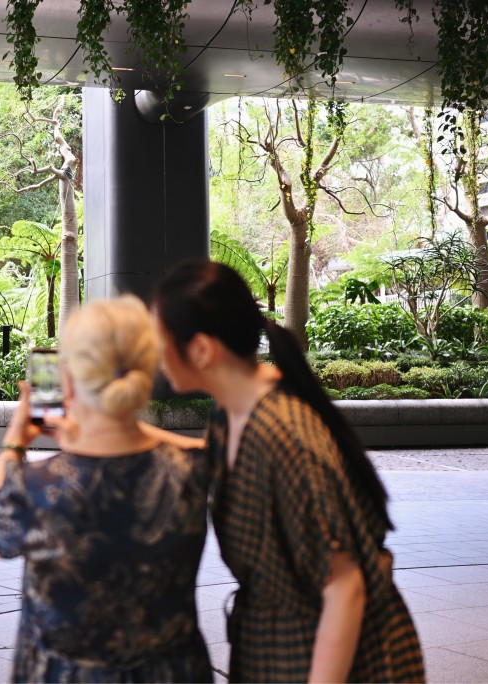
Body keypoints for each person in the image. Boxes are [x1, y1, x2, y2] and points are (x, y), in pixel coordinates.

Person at [151, 259, 425, 683]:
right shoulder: (234, 408)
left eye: (160, 340)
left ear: (202, 350)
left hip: (326, 654)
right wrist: (112, 429)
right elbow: (218, 460)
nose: (154, 354)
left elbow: (344, 588)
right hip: (277, 645)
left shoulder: (282, 436)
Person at [0, 295, 212, 683]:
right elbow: (185, 448)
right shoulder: (194, 469)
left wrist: (15, 441)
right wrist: (108, 427)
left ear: (67, 381)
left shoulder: (35, 487)